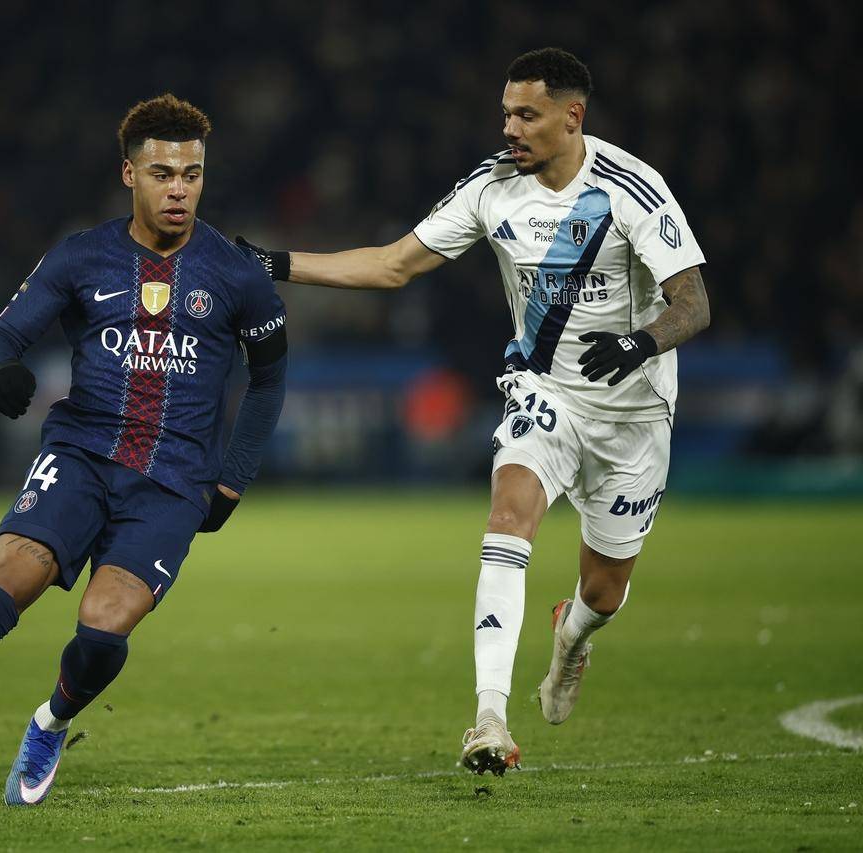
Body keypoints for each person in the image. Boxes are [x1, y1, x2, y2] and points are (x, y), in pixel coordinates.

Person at [237, 48, 709, 776]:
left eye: (527, 115)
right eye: (506, 113)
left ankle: (573, 635)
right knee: (507, 518)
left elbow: (694, 302)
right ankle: (490, 718)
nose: (510, 128)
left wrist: (640, 342)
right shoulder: (492, 186)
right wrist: (277, 264)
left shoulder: (631, 189)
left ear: (572, 116)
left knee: (605, 592)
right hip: (544, 394)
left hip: (634, 415)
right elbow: (394, 264)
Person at [0, 93, 288, 815]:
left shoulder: (237, 274)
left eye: (192, 174)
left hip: (173, 480)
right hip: (81, 453)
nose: (178, 189)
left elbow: (269, 379)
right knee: (2, 588)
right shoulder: (82, 255)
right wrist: (0, 372)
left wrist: (234, 479)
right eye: (162, 174)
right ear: (130, 174)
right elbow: (2, 338)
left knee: (103, 629)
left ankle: (50, 722)